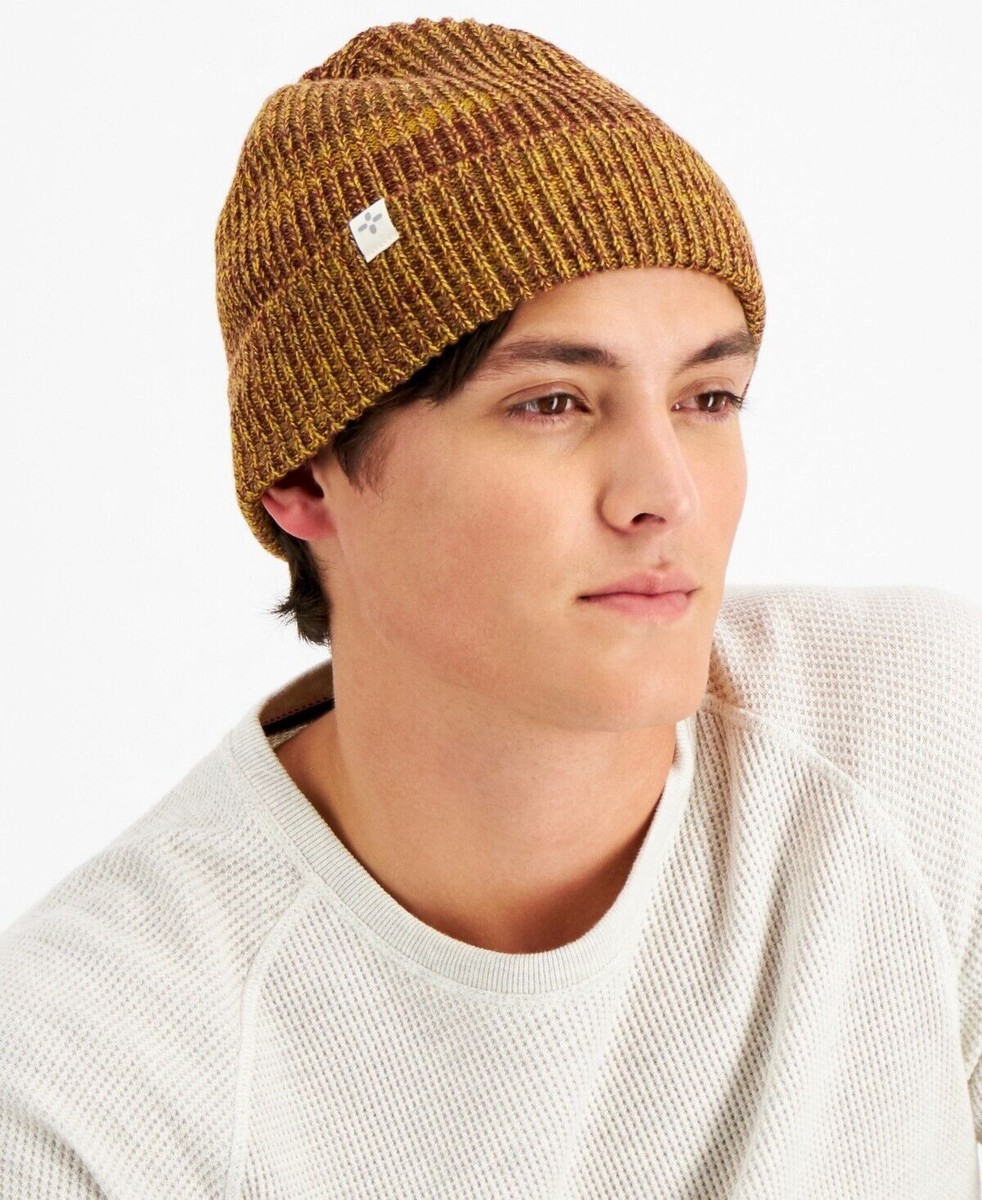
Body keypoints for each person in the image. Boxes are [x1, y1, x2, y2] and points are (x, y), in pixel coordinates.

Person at [0, 15, 979, 1197]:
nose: (665, 493)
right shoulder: (90, 1072)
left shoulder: (912, 746)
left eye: (708, 400)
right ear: (306, 476)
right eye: (553, 403)